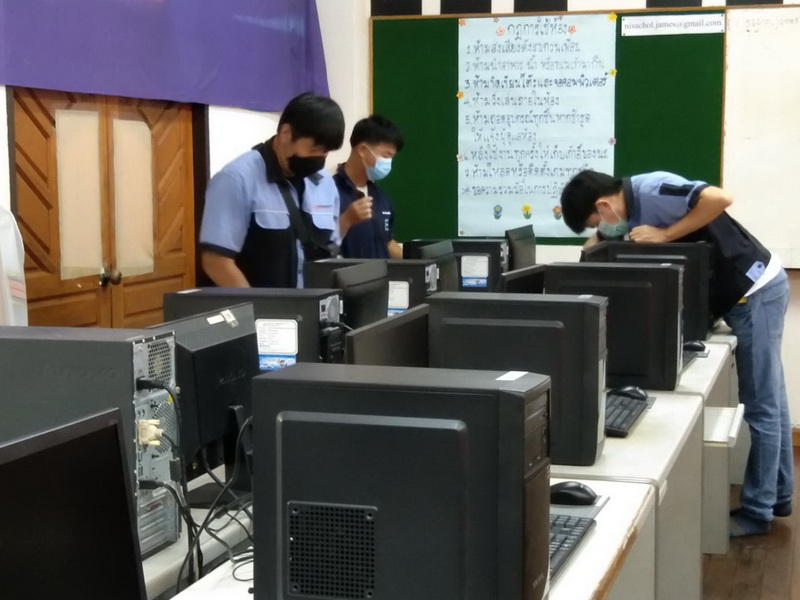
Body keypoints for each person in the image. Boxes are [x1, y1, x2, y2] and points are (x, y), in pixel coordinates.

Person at [560, 170, 792, 537]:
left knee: (762, 403)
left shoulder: (652, 189)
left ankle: (757, 512)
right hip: (744, 294)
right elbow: (598, 242)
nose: (602, 228)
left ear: (603, 205)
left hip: (755, 290)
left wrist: (665, 235)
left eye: (596, 221)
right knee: (771, 399)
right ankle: (778, 495)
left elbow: (719, 198)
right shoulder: (624, 208)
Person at [199, 92, 372, 288]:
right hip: (261, 306)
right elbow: (216, 262)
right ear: (286, 134)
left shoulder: (325, 183)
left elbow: (329, 247)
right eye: (313, 149)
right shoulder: (236, 179)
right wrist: (256, 306)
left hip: (313, 303)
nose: (319, 158)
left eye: (325, 152)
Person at [334, 114, 404, 259]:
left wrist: (418, 262)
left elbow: (386, 241)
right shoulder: (331, 192)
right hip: (349, 273)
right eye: (386, 156)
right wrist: (346, 220)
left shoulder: (381, 197)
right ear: (363, 150)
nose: (388, 164)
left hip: (382, 273)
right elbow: (321, 245)